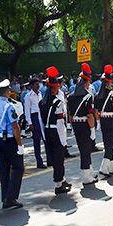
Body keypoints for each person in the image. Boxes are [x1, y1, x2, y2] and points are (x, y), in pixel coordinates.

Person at [0, 79, 24, 209]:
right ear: (7, 92)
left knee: (4, 170)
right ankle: (11, 197)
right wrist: (19, 145)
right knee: (18, 168)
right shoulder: (9, 107)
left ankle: (5, 198)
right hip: (9, 140)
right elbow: (15, 127)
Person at [40, 67, 71, 196]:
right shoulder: (58, 102)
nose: (59, 87)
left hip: (47, 132)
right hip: (56, 131)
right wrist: (64, 140)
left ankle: (62, 180)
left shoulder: (42, 102)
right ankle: (58, 184)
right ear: (54, 87)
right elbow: (60, 122)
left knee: (54, 157)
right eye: (58, 85)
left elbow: (41, 122)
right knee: (59, 158)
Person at [68, 64, 97, 185]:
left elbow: (70, 114)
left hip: (76, 124)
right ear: (86, 83)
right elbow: (90, 115)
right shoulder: (87, 96)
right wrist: (93, 129)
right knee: (86, 150)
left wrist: (73, 126)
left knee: (83, 149)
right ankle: (86, 176)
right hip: (85, 124)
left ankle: (88, 171)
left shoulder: (70, 97)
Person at [94, 65, 113, 179]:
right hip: (111, 120)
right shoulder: (111, 94)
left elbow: (96, 111)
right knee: (111, 143)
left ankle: (111, 166)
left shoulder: (97, 95)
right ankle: (103, 167)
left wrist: (99, 122)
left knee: (107, 143)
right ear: (109, 82)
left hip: (103, 120)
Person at [23, 77, 46, 169]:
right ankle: (39, 162)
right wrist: (30, 123)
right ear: (31, 86)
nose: (38, 85)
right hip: (34, 117)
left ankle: (49, 159)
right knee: (37, 141)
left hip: (41, 116)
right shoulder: (28, 96)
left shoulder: (40, 94)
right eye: (36, 84)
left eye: (38, 84)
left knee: (45, 138)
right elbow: (27, 110)